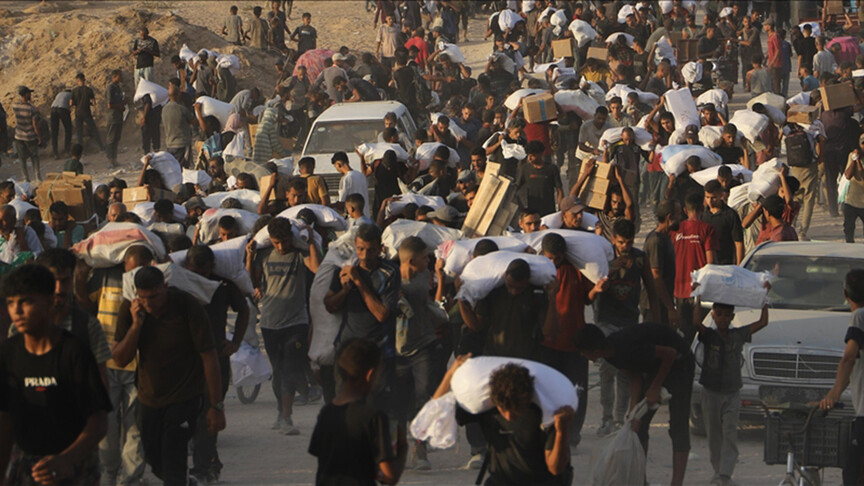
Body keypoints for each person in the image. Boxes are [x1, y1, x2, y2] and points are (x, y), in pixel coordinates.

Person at [113, 266, 226, 486]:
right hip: (149, 400)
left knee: (174, 459)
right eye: (143, 297)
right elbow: (120, 358)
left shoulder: (186, 306)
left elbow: (209, 357)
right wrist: (136, 325)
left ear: (165, 287)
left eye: (154, 296)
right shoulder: (131, 309)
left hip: (185, 398)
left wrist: (216, 406)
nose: (149, 303)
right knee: (154, 459)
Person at [0, 264, 111, 485]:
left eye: (26, 302)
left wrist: (66, 459)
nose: (17, 311)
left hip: (73, 465)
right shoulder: (8, 353)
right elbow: (5, 420)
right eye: (11, 303)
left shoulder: (74, 352)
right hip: (27, 465)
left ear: (50, 301)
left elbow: (98, 420)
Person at [574, 322, 694, 486]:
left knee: (678, 425)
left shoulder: (625, 346)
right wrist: (633, 410)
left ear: (594, 352)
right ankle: (640, 479)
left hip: (680, 361)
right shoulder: (610, 355)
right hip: (656, 365)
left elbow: (670, 353)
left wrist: (655, 386)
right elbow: (634, 375)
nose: (582, 356)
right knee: (639, 424)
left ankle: (676, 482)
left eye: (583, 352)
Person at [433, 358, 575, 486]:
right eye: (503, 409)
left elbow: (555, 468)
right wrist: (450, 374)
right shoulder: (487, 408)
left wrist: (562, 430)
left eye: (515, 409)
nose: (508, 416)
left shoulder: (546, 413)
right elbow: (435, 414)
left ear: (525, 400)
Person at [77, 247, 152, 486]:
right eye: (130, 271)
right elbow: (87, 306)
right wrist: (80, 278)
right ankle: (109, 475)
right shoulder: (105, 276)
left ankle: (130, 479)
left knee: (136, 428)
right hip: (107, 363)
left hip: (140, 366)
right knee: (107, 426)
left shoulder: (155, 282)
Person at [246, 217, 320, 435]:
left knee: (290, 367)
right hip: (270, 322)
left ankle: (287, 418)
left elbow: (316, 268)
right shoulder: (263, 254)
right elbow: (252, 282)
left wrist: (312, 240)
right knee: (278, 371)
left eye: (286, 241)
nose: (282, 246)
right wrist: (250, 257)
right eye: (277, 242)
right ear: (270, 240)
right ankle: (281, 412)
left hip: (296, 321)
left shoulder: (300, 252)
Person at [591, 219, 659, 436]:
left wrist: (655, 324)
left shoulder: (639, 259)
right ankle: (606, 418)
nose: (625, 247)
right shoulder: (604, 257)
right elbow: (595, 285)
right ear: (613, 240)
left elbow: (651, 289)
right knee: (606, 369)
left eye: (628, 243)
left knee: (625, 371)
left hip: (629, 321)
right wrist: (612, 269)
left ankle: (620, 418)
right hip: (606, 319)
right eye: (621, 243)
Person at [308, 339, 407, 485]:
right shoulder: (374, 417)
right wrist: (403, 447)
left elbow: (320, 455)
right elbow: (389, 477)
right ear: (370, 375)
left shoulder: (326, 413)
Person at [696, 301, 769, 486]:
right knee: (714, 433)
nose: (722, 318)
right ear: (713, 315)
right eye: (718, 314)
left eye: (726, 315)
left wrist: (763, 301)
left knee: (730, 431)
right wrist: (698, 298)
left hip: (732, 391)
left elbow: (762, 322)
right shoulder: (709, 335)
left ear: (732, 317)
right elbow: (696, 322)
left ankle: (725, 474)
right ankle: (717, 470)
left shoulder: (738, 335)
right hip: (711, 390)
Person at [394, 237, 447, 469]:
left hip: (423, 345)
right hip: (397, 350)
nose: (429, 260)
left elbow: (416, 294)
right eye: (425, 257)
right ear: (411, 261)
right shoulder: (392, 279)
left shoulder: (420, 278)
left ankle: (420, 450)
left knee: (423, 397)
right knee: (401, 402)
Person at [539, 233, 593, 447]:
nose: (553, 262)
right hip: (547, 343)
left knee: (576, 391)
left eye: (557, 258)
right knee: (548, 391)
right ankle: (551, 432)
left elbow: (587, 298)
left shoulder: (576, 270)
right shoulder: (539, 273)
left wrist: (596, 290)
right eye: (549, 258)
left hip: (574, 342)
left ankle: (572, 436)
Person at [458, 259, 558, 360]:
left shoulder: (536, 295)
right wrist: (460, 298)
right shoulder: (493, 291)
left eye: (520, 288)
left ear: (528, 282)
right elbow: (476, 326)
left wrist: (553, 298)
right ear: (505, 276)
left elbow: (548, 332)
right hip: (493, 357)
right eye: (510, 286)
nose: (514, 291)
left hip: (524, 359)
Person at [819, 269, 864, 485]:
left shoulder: (859, 316)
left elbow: (848, 358)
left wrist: (834, 393)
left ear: (845, 294)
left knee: (853, 474)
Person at [671, 192, 718, 343]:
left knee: (685, 333)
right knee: (701, 333)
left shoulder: (675, 230)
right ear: (702, 209)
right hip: (700, 290)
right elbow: (710, 262)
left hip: (679, 289)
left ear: (685, 210)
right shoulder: (707, 229)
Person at [644, 199, 682, 327]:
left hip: (662, 303)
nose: (680, 218)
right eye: (678, 215)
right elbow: (656, 276)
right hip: (655, 306)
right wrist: (670, 308)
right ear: (669, 217)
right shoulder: (656, 241)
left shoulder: (665, 237)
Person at [515, 140, 563, 217]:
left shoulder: (551, 169)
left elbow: (559, 190)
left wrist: (560, 209)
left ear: (540, 154)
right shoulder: (525, 169)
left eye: (532, 155)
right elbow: (516, 187)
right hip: (531, 212)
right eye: (528, 155)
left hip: (548, 211)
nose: (529, 158)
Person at [701, 180, 744, 265]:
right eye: (707, 197)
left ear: (720, 195)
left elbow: (738, 243)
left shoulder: (730, 215)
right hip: (706, 264)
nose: (710, 201)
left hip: (725, 264)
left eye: (713, 197)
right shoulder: (702, 215)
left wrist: (739, 266)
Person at [13, 86, 42, 182]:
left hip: (19, 135)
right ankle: (38, 177)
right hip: (29, 136)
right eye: (29, 93)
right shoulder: (32, 108)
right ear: (26, 94)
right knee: (34, 157)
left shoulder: (15, 106)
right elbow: (34, 124)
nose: (30, 95)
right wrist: (39, 136)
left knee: (22, 158)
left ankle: (26, 178)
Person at [162, 79, 195, 167]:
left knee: (174, 168)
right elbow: (194, 121)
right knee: (183, 169)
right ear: (178, 95)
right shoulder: (181, 109)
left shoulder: (164, 109)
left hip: (170, 144)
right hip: (182, 144)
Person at [332, 151, 370, 217]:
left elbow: (341, 202)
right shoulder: (361, 176)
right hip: (366, 215)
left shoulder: (346, 179)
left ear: (338, 164)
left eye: (336, 167)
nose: (337, 170)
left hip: (353, 218)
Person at [843, 138, 864, 242]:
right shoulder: (852, 156)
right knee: (849, 230)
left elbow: (862, 175)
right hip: (851, 200)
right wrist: (854, 160)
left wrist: (858, 161)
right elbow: (848, 175)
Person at [105, 69, 125, 167]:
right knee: (111, 139)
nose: (122, 78)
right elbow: (110, 104)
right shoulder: (110, 88)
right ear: (115, 76)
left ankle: (114, 159)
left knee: (116, 139)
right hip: (113, 117)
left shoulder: (118, 88)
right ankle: (109, 159)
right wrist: (119, 106)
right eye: (120, 76)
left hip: (119, 117)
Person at [50, 83, 73, 159]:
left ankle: (55, 153)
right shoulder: (71, 95)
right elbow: (72, 104)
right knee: (68, 129)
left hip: (53, 109)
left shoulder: (60, 94)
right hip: (63, 109)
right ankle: (67, 151)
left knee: (54, 132)